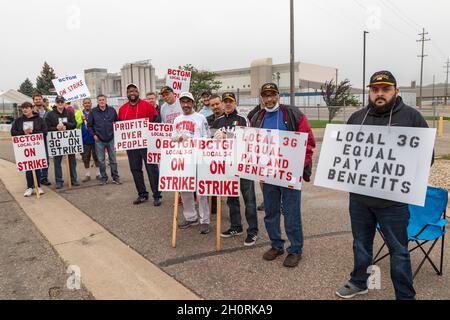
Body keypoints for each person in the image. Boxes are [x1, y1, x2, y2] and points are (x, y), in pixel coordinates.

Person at [335, 71, 431, 300]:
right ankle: (360, 281)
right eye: (374, 89)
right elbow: (344, 154)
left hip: (393, 202)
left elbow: (427, 157)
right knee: (360, 244)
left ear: (396, 92)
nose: (379, 94)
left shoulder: (412, 118)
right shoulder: (357, 118)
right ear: (369, 92)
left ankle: (405, 295)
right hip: (359, 199)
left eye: (385, 89)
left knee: (398, 251)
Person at [250, 83, 315, 268]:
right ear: (261, 97)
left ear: (278, 95)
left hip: (289, 174)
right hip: (268, 173)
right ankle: (276, 245)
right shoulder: (257, 117)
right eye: (265, 95)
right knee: (270, 211)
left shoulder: (292, 114)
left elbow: (308, 142)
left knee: (291, 213)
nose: (269, 99)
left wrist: (297, 167)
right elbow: (251, 144)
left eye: (273, 95)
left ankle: (295, 250)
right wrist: (256, 168)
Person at [212, 92, 259, 246]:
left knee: (249, 199)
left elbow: (248, 139)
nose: (227, 104)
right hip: (227, 165)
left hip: (243, 164)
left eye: (230, 101)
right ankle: (236, 226)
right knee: (232, 199)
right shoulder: (218, 122)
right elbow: (211, 142)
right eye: (225, 101)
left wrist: (228, 136)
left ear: (235, 103)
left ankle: (253, 231)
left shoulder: (242, 119)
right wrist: (214, 138)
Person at [172, 92, 211, 234]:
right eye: (183, 102)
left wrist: (190, 140)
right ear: (180, 103)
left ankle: (204, 220)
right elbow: (172, 137)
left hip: (198, 159)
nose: (186, 104)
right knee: (185, 190)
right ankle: (190, 217)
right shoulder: (177, 120)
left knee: (201, 191)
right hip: (183, 160)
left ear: (193, 103)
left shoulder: (201, 118)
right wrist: (175, 139)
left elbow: (207, 138)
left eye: (188, 102)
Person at [118, 84, 162, 206]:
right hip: (132, 145)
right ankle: (142, 194)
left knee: (152, 169)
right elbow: (120, 127)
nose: (132, 93)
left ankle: (157, 195)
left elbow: (156, 121)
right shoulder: (122, 109)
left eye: (135, 91)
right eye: (130, 91)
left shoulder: (147, 106)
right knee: (135, 169)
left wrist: (150, 133)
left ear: (138, 92)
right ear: (127, 93)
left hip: (147, 144)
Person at [10, 102, 47, 197]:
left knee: (37, 166)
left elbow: (44, 132)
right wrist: (23, 132)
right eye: (23, 108)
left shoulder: (39, 119)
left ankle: (37, 186)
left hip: (37, 147)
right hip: (24, 148)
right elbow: (13, 132)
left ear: (31, 108)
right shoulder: (18, 121)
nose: (24, 110)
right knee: (28, 167)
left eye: (26, 107)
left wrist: (33, 132)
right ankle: (29, 187)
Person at [45, 96, 80, 189]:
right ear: (56, 103)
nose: (60, 103)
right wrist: (56, 128)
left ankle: (74, 179)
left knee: (72, 161)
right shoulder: (50, 114)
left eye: (62, 101)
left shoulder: (69, 113)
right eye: (58, 102)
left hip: (69, 141)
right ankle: (58, 181)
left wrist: (66, 125)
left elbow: (74, 124)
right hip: (57, 142)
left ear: (64, 103)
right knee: (57, 162)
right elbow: (46, 128)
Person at [88, 95, 120, 185]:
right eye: (100, 100)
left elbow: (117, 123)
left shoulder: (112, 110)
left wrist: (116, 135)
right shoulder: (93, 112)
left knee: (113, 159)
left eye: (103, 100)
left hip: (111, 138)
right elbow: (89, 125)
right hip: (99, 140)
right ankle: (104, 178)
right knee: (101, 160)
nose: (101, 101)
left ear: (106, 101)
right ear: (97, 101)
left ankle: (115, 177)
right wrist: (93, 135)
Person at [76, 98, 101, 182]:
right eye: (85, 103)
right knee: (85, 158)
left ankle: (98, 174)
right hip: (84, 139)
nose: (87, 104)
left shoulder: (95, 112)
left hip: (95, 138)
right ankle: (87, 175)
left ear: (91, 104)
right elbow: (76, 124)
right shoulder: (79, 113)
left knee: (97, 157)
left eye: (88, 103)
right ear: (83, 104)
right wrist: (81, 120)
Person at [33, 94, 51, 186]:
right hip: (34, 139)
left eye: (39, 99)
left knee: (45, 158)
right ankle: (36, 177)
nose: (38, 101)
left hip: (46, 137)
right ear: (33, 101)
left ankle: (44, 177)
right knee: (36, 158)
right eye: (36, 99)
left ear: (42, 101)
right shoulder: (30, 112)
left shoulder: (48, 111)